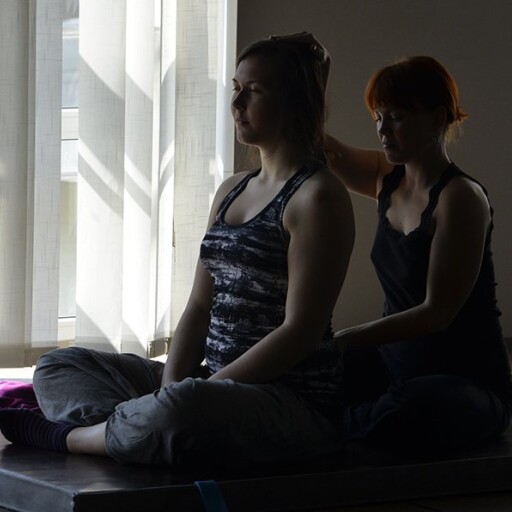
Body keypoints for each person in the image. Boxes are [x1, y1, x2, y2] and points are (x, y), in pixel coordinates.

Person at [0, 35, 354, 467]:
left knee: (184, 409)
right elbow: (199, 306)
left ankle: (75, 437)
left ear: (293, 102)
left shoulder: (317, 197)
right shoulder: (232, 189)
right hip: (208, 384)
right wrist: (171, 386)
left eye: (254, 91)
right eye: (235, 88)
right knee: (58, 366)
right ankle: (135, 431)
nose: (236, 103)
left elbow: (300, 332)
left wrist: (197, 392)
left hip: (290, 403)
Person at [321, 49, 512, 450]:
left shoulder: (461, 198)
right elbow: (319, 146)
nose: (382, 129)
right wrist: (311, 74)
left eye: (396, 117)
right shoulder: (385, 178)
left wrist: (342, 338)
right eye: (378, 117)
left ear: (437, 119)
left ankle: (335, 429)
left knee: (409, 406)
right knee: (312, 376)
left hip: (464, 385)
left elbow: (437, 312)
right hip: (394, 368)